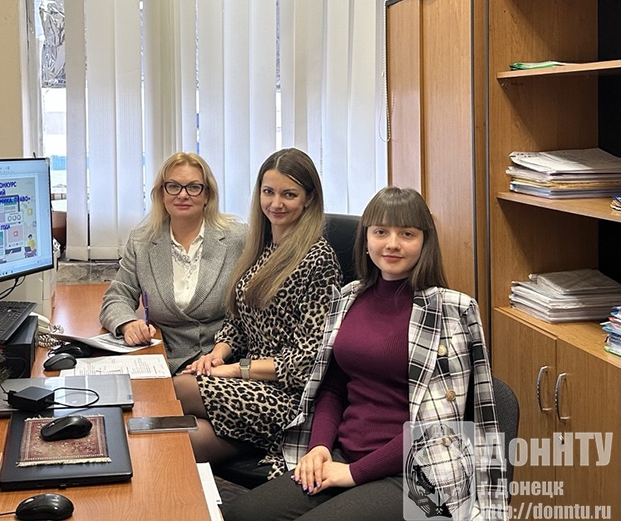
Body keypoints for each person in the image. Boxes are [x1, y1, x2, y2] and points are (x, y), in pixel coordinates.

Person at [221, 187, 507, 521]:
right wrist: (319, 447)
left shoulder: (449, 311)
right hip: (345, 455)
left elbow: (436, 427)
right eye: (381, 232)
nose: (392, 244)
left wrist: (354, 473)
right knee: (240, 514)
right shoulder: (349, 298)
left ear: (425, 241)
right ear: (366, 239)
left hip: (421, 475)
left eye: (407, 234)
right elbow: (332, 388)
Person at [173, 148, 342, 470]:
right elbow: (238, 322)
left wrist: (235, 369)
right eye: (268, 192)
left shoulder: (318, 260)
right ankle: (252, 442)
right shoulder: (260, 247)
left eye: (289, 194)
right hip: (248, 387)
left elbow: (307, 362)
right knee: (178, 440)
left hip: (288, 396)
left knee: (179, 388)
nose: (276, 203)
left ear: (309, 199)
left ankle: (274, 439)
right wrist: (217, 355)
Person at [99, 151, 246, 374]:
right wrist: (128, 324)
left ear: (207, 195)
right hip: (162, 359)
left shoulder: (238, 239)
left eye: (194, 187)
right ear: (162, 193)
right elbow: (116, 297)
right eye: (174, 186)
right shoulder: (142, 242)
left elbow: (251, 313)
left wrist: (220, 354)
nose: (183, 195)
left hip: (219, 361)